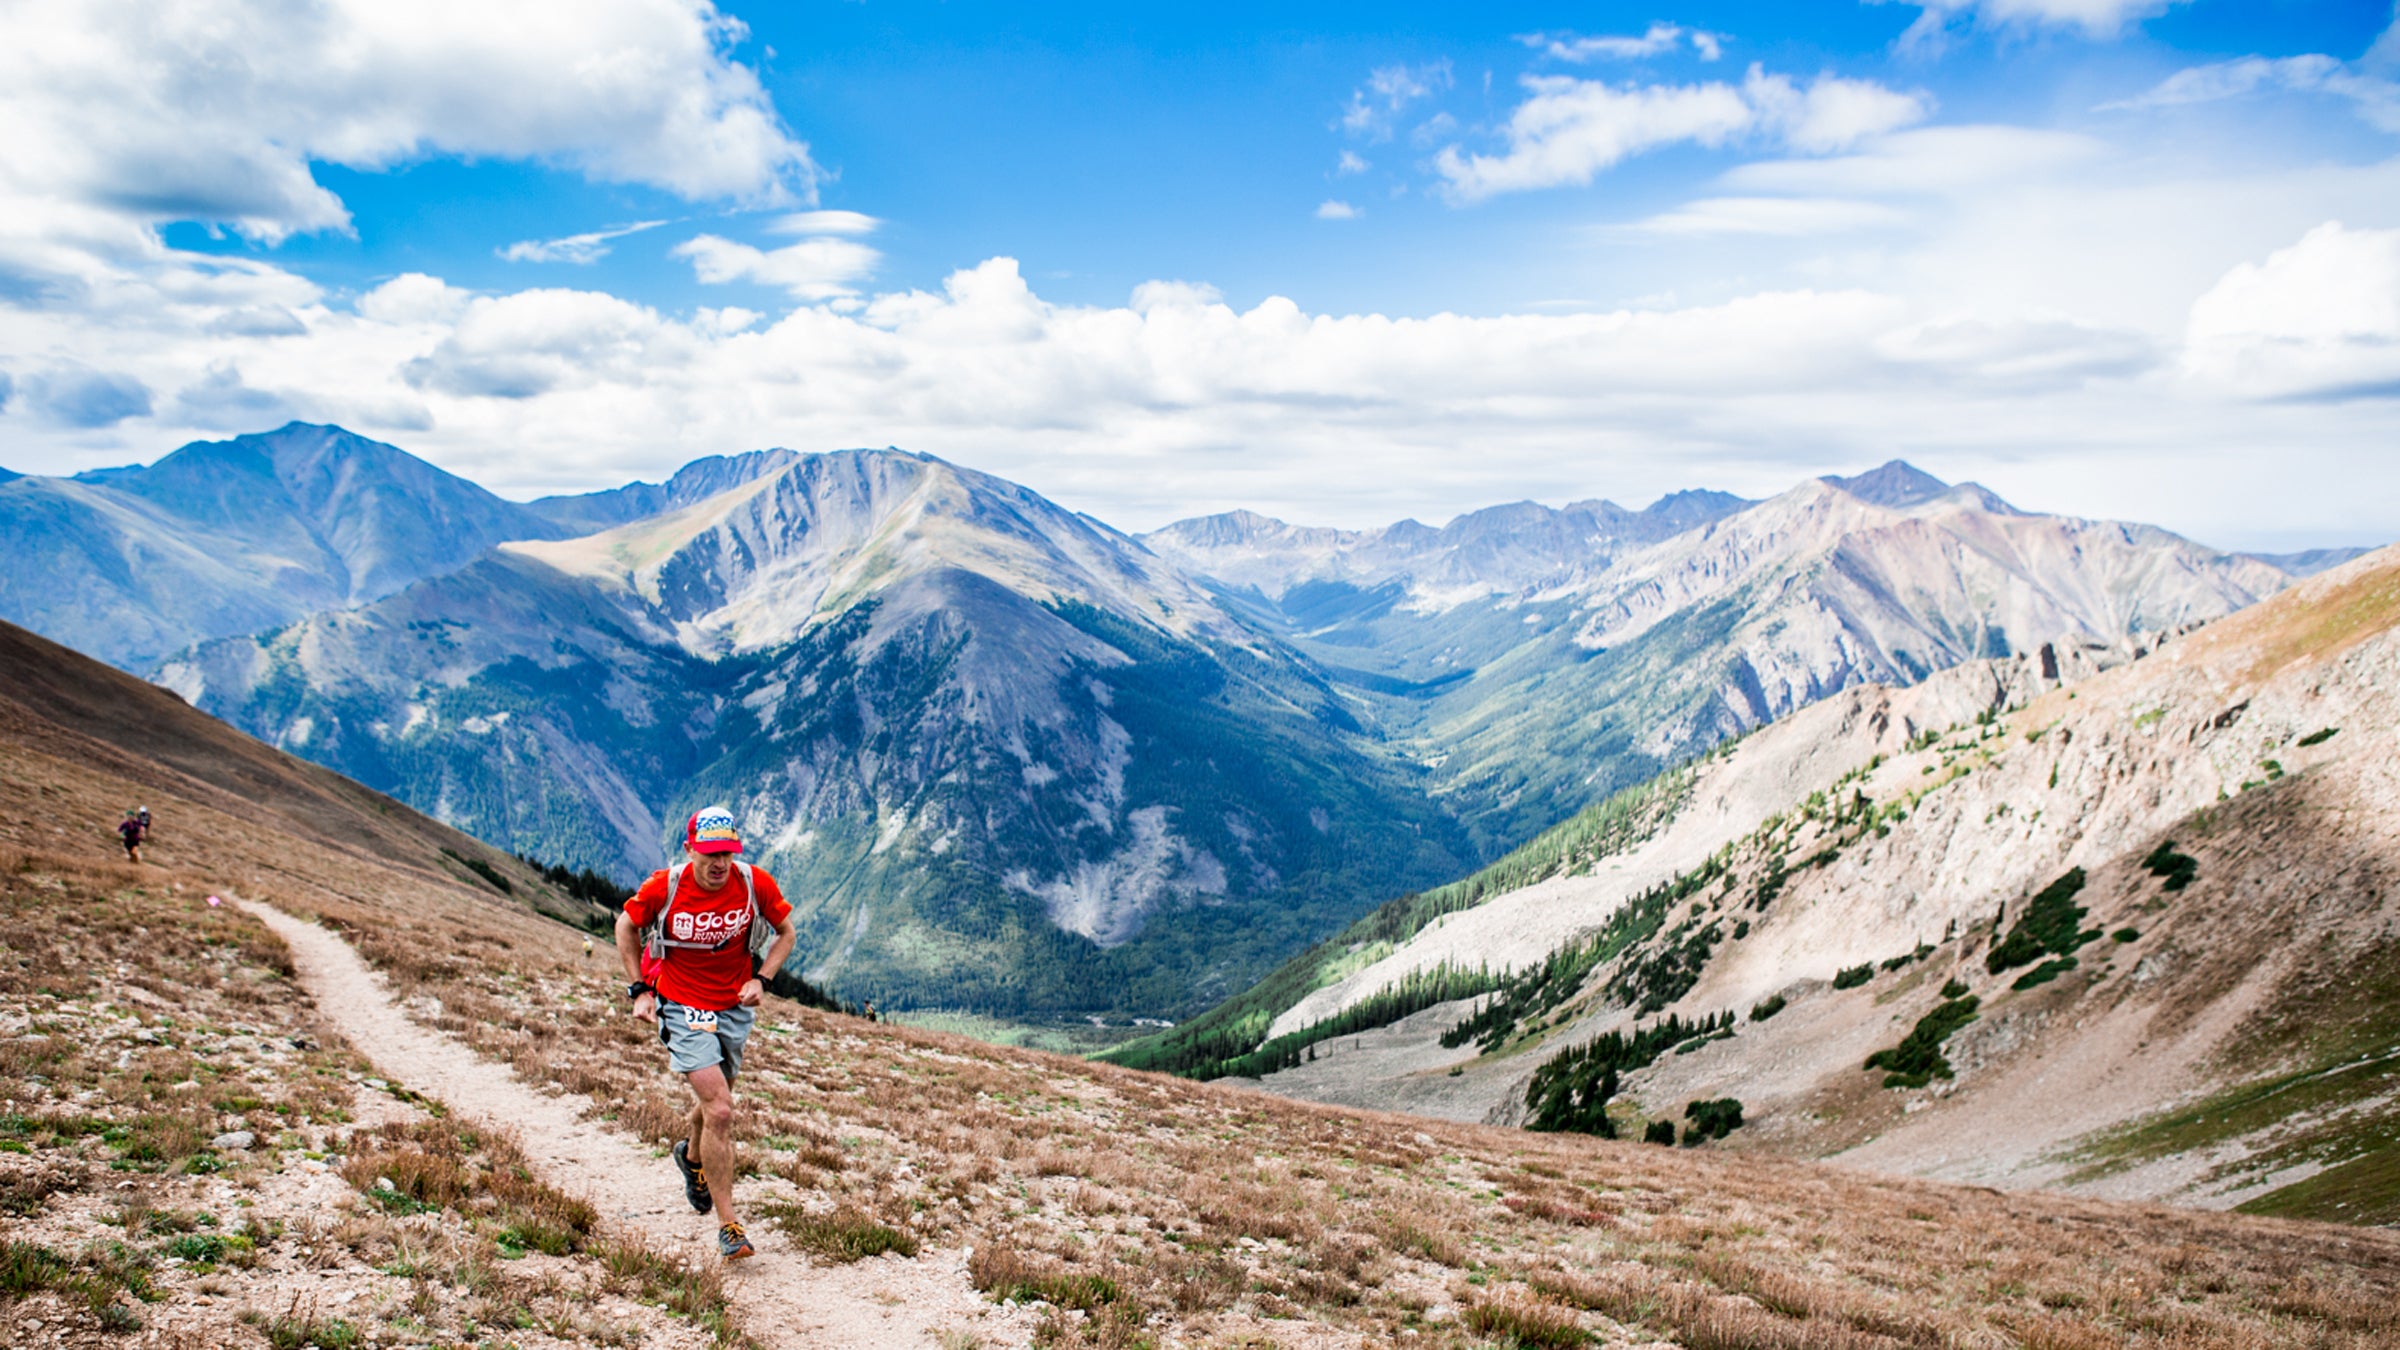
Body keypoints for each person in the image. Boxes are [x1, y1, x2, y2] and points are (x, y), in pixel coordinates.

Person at [615, 805, 796, 1262]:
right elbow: (626, 924)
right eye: (711, 854)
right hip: (680, 1004)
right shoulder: (666, 886)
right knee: (720, 1109)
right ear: (690, 848)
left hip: (733, 1006)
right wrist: (639, 989)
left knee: (715, 1104)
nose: (720, 864)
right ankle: (729, 1225)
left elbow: (786, 933)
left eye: (728, 854)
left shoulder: (754, 883)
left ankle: (691, 1158)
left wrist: (764, 979)